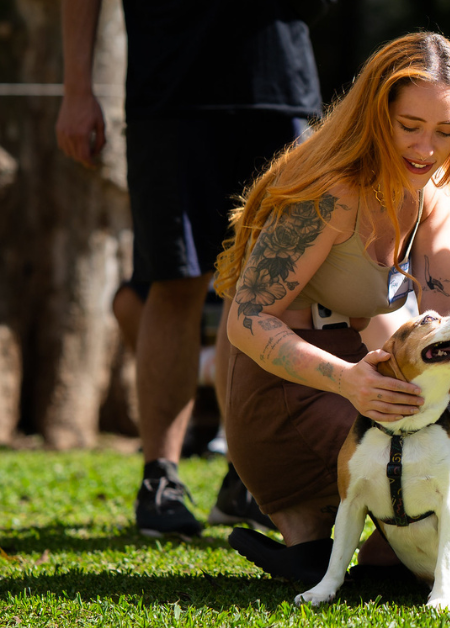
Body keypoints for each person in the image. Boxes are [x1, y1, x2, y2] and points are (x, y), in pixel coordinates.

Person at [211, 32, 450, 585]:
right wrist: (348, 381)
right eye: (409, 126)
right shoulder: (333, 191)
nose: (426, 149)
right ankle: (318, 524)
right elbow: (245, 322)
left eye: (445, 132)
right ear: (375, 115)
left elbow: (441, 312)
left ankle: (387, 554)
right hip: (289, 391)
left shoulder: (431, 193)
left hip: (363, 369)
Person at [56, 0, 324, 536]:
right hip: (170, 88)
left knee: (263, 293)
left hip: (279, 86)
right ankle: (160, 478)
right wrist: (77, 89)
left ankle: (246, 477)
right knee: (174, 280)